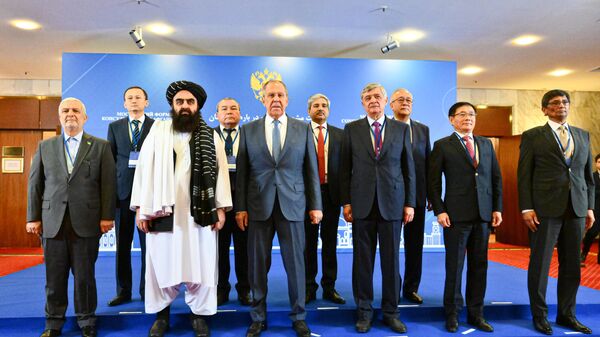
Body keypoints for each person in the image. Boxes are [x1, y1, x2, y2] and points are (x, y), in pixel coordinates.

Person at [130, 80, 232, 337]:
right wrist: (142, 209)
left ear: (198, 106)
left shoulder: (211, 136)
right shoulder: (158, 131)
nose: (184, 106)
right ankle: (161, 317)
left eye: (190, 102)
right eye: (179, 102)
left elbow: (221, 174)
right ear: (172, 106)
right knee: (161, 264)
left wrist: (220, 208)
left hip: (200, 212)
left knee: (201, 264)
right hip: (162, 212)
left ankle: (198, 317)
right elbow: (142, 170)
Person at [236, 79, 322, 337]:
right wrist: (240, 208)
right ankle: (258, 317)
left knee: (296, 264)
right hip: (258, 206)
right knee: (257, 265)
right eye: (270, 95)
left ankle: (299, 316)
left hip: (293, 205)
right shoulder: (248, 130)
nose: (275, 99)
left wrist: (316, 205)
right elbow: (242, 173)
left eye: (280, 95)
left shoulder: (303, 129)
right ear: (262, 99)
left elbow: (311, 171)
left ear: (287, 99)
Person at [26, 97, 116, 337]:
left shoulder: (100, 146)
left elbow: (108, 184)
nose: (70, 114)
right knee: (53, 277)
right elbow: (34, 184)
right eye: (65, 110)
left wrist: (107, 216)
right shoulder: (45, 146)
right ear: (59, 116)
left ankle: (86, 321)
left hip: (86, 223)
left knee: (85, 276)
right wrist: (32, 218)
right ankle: (53, 323)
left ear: (85, 117)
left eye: (76, 110)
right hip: (52, 221)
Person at [340, 83, 416, 334]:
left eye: (377, 97)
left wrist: (409, 203)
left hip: (393, 204)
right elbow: (344, 171)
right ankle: (364, 312)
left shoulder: (401, 129)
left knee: (391, 262)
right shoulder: (351, 130)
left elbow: (408, 170)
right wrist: (347, 202)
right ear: (362, 103)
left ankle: (391, 312)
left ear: (386, 102)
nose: (373, 101)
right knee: (363, 263)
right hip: (361, 204)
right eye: (367, 98)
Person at [518, 89, 595, 335]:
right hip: (544, 210)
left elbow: (587, 177)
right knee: (540, 265)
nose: (560, 106)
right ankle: (539, 316)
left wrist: (590, 207)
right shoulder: (532, 136)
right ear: (544, 109)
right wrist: (527, 207)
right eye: (554, 103)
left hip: (577, 208)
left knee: (571, 265)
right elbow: (524, 175)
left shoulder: (583, 135)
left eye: (564, 102)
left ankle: (566, 314)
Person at [428, 102, 502, 333]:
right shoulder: (442, 145)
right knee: (455, 267)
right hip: (455, 217)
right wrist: (440, 210)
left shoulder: (486, 144)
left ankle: (476, 313)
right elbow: (432, 182)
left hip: (483, 215)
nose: (468, 118)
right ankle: (452, 314)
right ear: (452, 119)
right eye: (462, 114)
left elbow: (496, 178)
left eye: (471, 114)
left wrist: (497, 208)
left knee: (479, 267)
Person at [107, 86, 155, 306]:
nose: (134, 101)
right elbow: (110, 162)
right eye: (129, 98)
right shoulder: (115, 127)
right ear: (124, 104)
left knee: (149, 248)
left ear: (146, 102)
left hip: (150, 195)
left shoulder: (157, 127)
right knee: (123, 246)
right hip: (123, 194)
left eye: (138, 97)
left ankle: (148, 291)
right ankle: (123, 291)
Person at [389, 88, 430, 304]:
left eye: (409, 100)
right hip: (392, 196)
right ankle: (393, 288)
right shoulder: (386, 129)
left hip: (418, 197)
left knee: (415, 245)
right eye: (400, 100)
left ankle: (411, 288)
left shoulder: (423, 130)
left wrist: (431, 195)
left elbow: (428, 164)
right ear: (391, 105)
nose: (405, 103)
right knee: (392, 246)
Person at [304, 93, 345, 305]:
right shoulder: (299, 132)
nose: (320, 109)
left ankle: (330, 287)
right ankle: (308, 286)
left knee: (330, 243)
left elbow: (347, 169)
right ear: (309, 110)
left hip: (331, 194)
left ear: (328, 110)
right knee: (308, 243)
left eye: (324, 106)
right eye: (316, 106)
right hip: (307, 196)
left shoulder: (340, 134)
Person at [214, 97, 251, 306]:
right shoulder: (207, 136)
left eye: (234, 108)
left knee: (243, 248)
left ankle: (245, 289)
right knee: (219, 249)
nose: (229, 112)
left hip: (243, 202)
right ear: (217, 114)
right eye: (224, 109)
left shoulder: (249, 135)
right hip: (217, 202)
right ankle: (221, 289)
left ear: (240, 113)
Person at [581, 153, 600, 267]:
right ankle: (584, 253)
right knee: (591, 233)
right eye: (599, 162)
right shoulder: (592, 176)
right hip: (596, 210)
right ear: (596, 163)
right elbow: (590, 192)